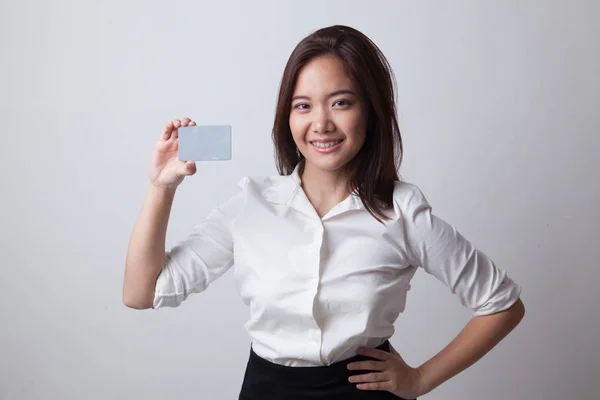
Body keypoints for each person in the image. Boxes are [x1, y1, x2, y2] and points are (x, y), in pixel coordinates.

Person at [123, 25, 525, 399]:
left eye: (341, 102)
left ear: (370, 109)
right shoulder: (251, 204)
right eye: (303, 106)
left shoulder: (402, 211)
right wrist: (162, 187)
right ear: (287, 116)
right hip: (267, 389)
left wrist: (419, 379)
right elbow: (142, 293)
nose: (321, 123)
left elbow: (502, 304)